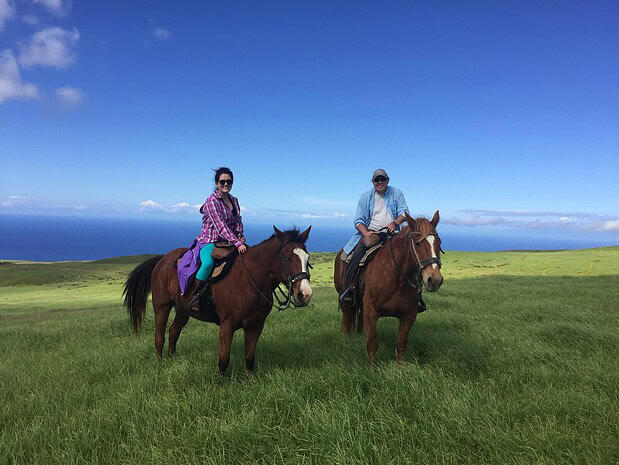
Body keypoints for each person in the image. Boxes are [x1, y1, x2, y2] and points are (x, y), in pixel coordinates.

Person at [339, 169, 426, 311]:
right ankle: (350, 289)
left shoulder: (396, 193)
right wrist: (366, 233)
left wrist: (395, 223)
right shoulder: (365, 197)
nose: (380, 182)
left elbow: (404, 212)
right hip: (373, 233)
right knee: (357, 255)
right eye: (377, 180)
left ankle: (416, 296)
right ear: (373, 182)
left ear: (387, 180)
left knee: (412, 256)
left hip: (394, 234)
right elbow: (358, 220)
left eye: (382, 179)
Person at [186, 167, 247, 311]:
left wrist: (239, 233)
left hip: (228, 241)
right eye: (222, 181)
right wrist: (237, 243)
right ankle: (196, 296)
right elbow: (221, 226)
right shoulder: (211, 202)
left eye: (229, 182)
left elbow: (238, 220)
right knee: (207, 263)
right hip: (210, 240)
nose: (226, 184)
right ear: (216, 182)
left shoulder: (234, 200)